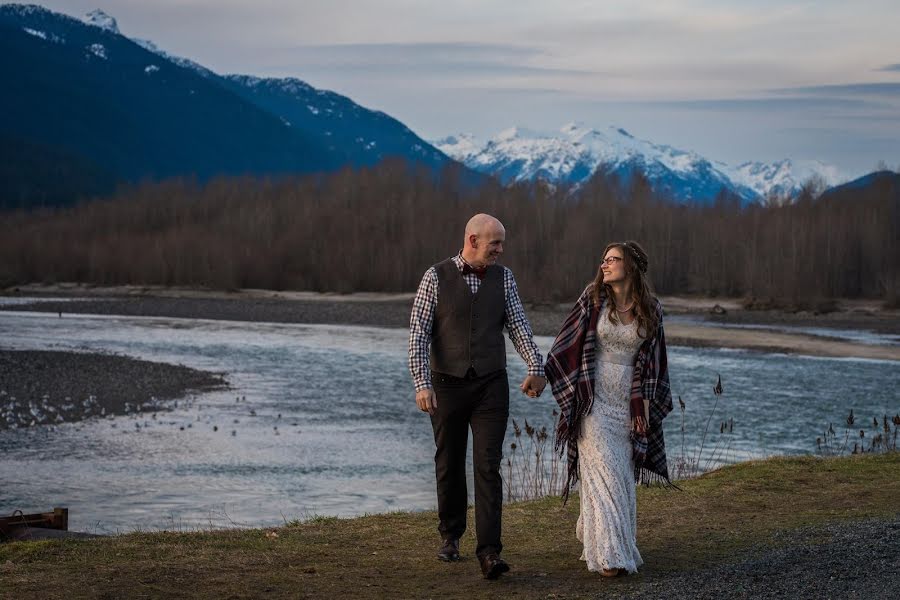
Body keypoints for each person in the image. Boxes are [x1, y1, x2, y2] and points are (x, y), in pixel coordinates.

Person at [408, 213, 547, 580]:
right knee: (450, 461)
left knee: (488, 465)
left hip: (490, 384)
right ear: (472, 240)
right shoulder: (434, 277)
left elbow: (518, 325)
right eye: (494, 244)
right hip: (446, 384)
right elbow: (418, 334)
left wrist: (536, 365)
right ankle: (450, 537)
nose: (500, 250)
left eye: (501, 243)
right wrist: (422, 384)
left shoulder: (505, 278)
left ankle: (489, 552)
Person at [545, 241, 673, 577]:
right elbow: (564, 342)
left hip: (629, 407)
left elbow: (656, 362)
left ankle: (602, 532)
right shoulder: (593, 298)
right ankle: (610, 555)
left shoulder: (652, 309)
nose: (605, 264)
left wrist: (645, 401)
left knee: (619, 475)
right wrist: (543, 375)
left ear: (630, 267)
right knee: (604, 467)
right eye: (603, 259)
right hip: (592, 401)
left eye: (613, 260)